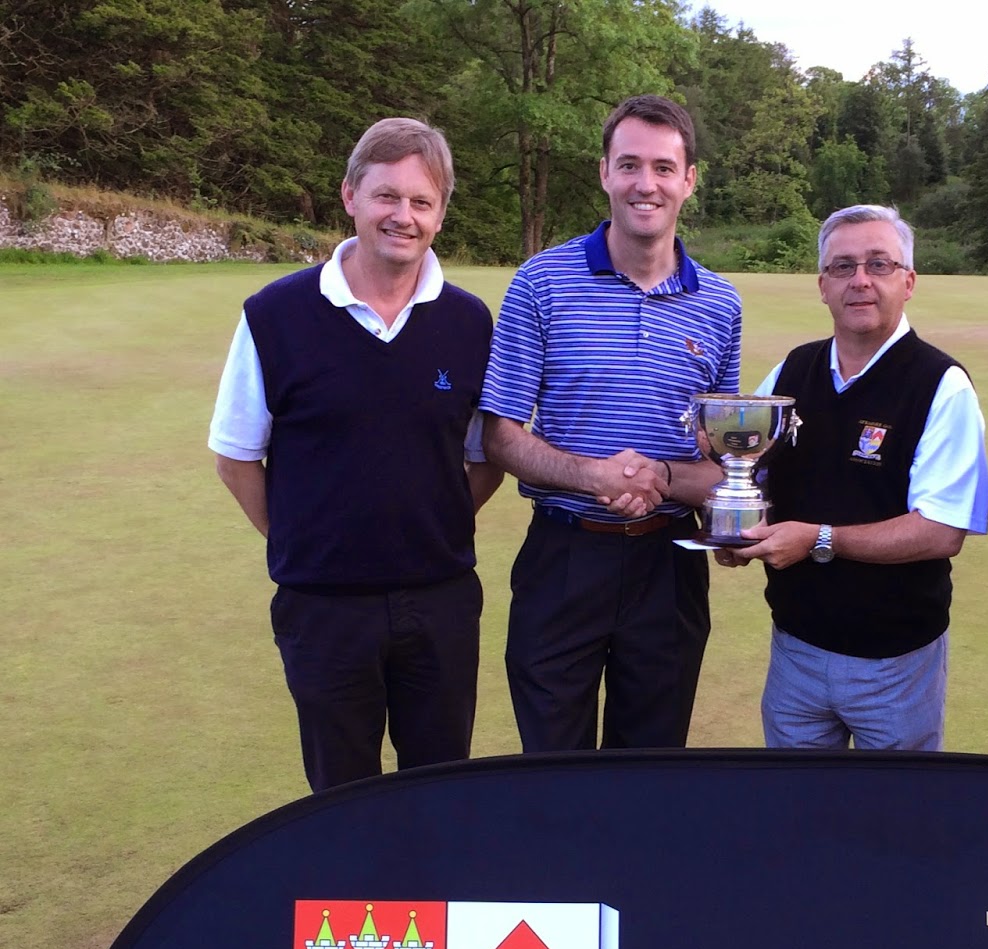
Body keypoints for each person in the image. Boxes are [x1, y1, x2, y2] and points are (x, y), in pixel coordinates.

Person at [208, 117, 501, 793]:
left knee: (440, 791)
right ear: (350, 196)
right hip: (324, 608)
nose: (403, 216)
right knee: (341, 802)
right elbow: (235, 457)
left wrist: (440, 515)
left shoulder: (469, 322)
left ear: (441, 214)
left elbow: (488, 453)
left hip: (442, 600)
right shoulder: (274, 314)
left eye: (421, 202)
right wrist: (299, 539)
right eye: (386, 196)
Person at [481, 95, 742, 751]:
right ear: (604, 173)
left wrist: (662, 475)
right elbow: (500, 434)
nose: (644, 184)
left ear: (689, 180)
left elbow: (723, 463)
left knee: (649, 776)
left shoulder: (720, 304)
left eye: (662, 166)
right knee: (552, 772)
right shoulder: (541, 282)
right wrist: (591, 475)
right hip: (564, 555)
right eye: (629, 165)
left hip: (669, 563)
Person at [721, 205, 988, 751]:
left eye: (879, 264)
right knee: (797, 822)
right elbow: (748, 471)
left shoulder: (941, 384)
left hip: (894, 666)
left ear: (908, 281)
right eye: (842, 267)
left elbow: (942, 531)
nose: (860, 280)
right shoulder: (791, 372)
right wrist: (736, 530)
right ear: (822, 285)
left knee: (889, 827)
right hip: (795, 651)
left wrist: (819, 539)